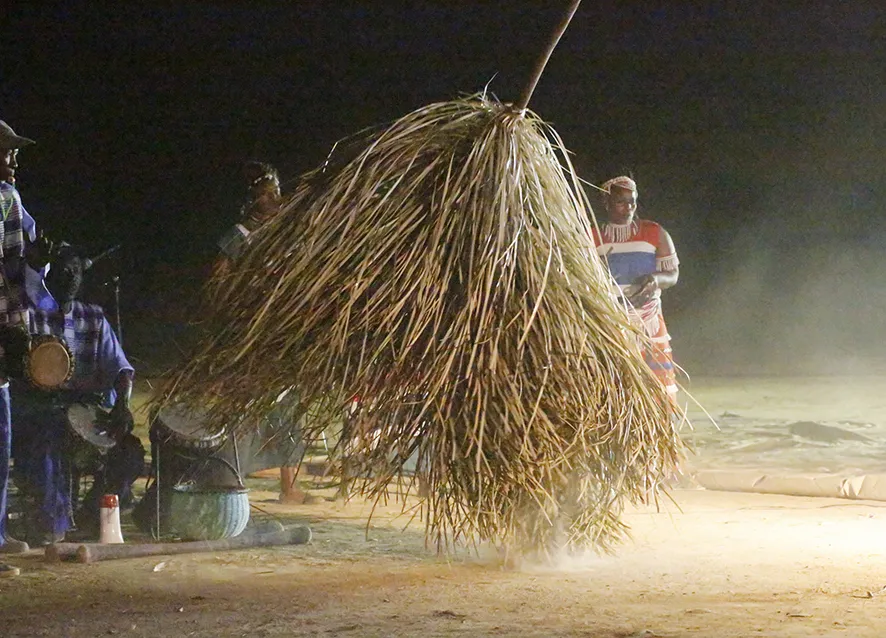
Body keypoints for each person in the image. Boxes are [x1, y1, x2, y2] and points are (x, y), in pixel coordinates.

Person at [11, 244, 142, 545]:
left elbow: (121, 369)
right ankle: (52, 523)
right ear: (49, 274)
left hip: (85, 409)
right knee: (48, 440)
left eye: (77, 272)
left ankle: (90, 515)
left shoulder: (93, 318)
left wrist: (122, 405)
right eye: (64, 271)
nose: (71, 278)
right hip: (41, 408)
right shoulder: (29, 316)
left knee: (130, 452)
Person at [591, 176, 680, 398]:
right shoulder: (591, 236)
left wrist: (655, 280)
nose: (629, 207)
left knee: (658, 386)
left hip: (648, 319)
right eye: (621, 201)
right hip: (611, 321)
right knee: (616, 385)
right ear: (607, 203)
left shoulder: (655, 232)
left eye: (632, 201)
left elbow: (673, 274)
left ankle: (660, 430)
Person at [0, 120, 42, 558]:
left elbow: (25, 256)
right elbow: (18, 266)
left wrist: (38, 260)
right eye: (7, 152)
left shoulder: (10, 198)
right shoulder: (6, 199)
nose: (13, 161)